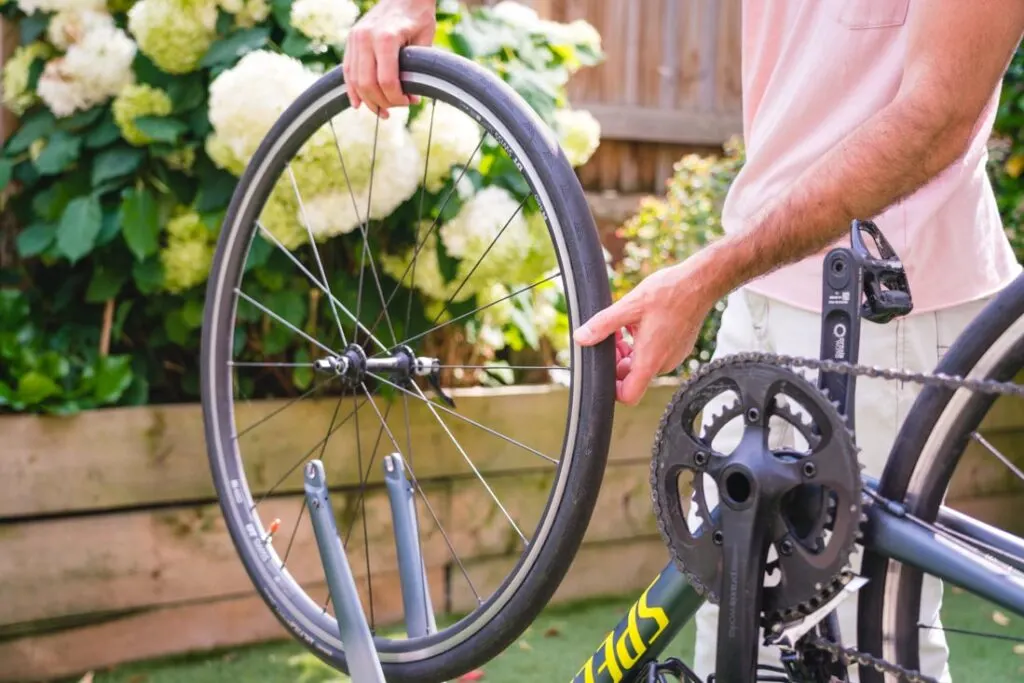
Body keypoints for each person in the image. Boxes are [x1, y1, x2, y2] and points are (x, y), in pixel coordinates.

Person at [345, 0, 1024, 680]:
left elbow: (937, 115)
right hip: (765, 286)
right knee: (737, 640)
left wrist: (703, 278)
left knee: (861, 654)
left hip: (883, 301)